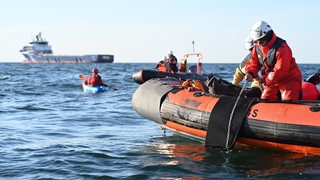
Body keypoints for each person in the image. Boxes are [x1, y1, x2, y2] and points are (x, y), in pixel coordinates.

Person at [245, 21, 302, 102]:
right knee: (265, 99)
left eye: (261, 41)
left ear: (267, 36)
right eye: (256, 41)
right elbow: (253, 63)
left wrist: (265, 80)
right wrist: (250, 73)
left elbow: (281, 70)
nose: (259, 44)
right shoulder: (257, 48)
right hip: (271, 81)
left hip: (289, 79)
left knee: (288, 100)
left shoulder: (282, 48)